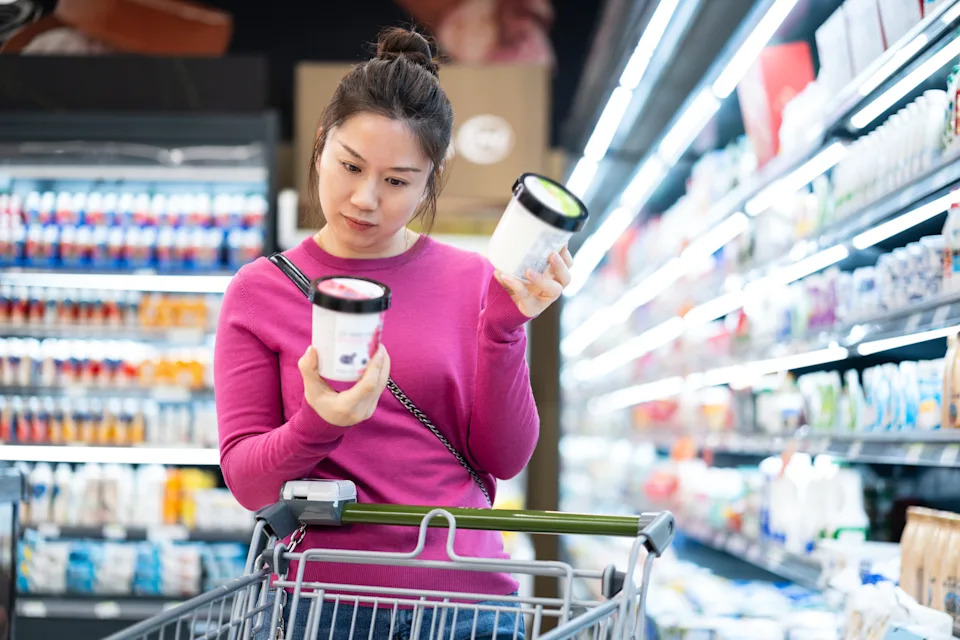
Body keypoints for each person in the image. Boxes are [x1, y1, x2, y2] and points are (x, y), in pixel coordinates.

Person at [214, 26, 573, 640]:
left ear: (431, 179)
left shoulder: (475, 282)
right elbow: (249, 482)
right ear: (321, 144)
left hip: (472, 603)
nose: (364, 198)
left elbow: (504, 460)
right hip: (329, 605)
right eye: (350, 166)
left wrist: (506, 331)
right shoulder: (260, 291)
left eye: (398, 181)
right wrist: (321, 421)